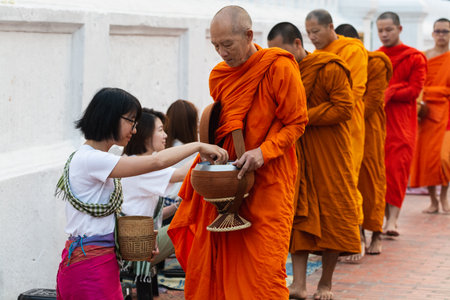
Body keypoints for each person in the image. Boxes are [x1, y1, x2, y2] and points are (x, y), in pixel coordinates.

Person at [168, 6, 308, 299]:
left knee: (263, 269)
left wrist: (263, 152)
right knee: (217, 262)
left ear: (248, 35)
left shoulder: (278, 67)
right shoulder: (219, 76)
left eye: (227, 45)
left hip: (268, 181)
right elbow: (224, 126)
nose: (221, 52)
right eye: (215, 46)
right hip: (226, 185)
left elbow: (297, 122)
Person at [55, 88, 228, 300]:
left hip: (96, 262)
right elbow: (157, 162)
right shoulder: (92, 160)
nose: (134, 130)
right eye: (131, 121)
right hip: (90, 268)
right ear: (110, 117)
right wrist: (199, 145)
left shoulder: (96, 158)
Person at [268, 22, 359, 300]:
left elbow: (344, 108)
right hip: (298, 151)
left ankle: (326, 284)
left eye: (283, 51)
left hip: (330, 152)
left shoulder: (328, 66)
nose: (278, 59)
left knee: (334, 213)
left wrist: (302, 116)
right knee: (297, 212)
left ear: (298, 44)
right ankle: (298, 284)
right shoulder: (282, 73)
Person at [305, 9, 367, 261]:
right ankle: (327, 242)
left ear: (331, 27)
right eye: (308, 33)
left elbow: (353, 92)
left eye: (316, 32)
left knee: (346, 182)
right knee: (323, 186)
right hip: (320, 132)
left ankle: (355, 238)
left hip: (347, 128)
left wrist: (308, 115)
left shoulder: (353, 50)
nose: (312, 37)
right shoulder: (315, 57)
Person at [120, 108, 194, 298]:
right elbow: (180, 174)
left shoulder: (136, 162)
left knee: (185, 217)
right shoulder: (143, 166)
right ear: (145, 135)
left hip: (136, 236)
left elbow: (152, 214)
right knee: (189, 226)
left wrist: (177, 207)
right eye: (160, 130)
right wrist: (202, 148)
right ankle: (198, 278)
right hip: (134, 246)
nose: (166, 135)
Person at [335, 24, 393, 255]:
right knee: (349, 181)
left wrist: (343, 112)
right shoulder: (332, 58)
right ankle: (355, 235)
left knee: (370, 180)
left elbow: (372, 100)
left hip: (368, 129)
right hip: (344, 128)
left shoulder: (375, 62)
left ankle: (376, 233)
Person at [377, 12, 427, 235]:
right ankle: (384, 218)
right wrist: (391, 90)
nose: (384, 34)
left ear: (399, 29)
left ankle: (393, 221)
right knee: (380, 172)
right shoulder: (376, 57)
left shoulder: (414, 57)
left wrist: (391, 90)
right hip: (379, 122)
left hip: (403, 123)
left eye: (388, 30)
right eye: (380, 30)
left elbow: (414, 91)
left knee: (397, 170)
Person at [410, 18, 450, 214]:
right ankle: (433, 201)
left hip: (447, 113)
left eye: (445, 31)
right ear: (433, 34)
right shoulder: (424, 57)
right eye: (438, 31)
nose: (441, 35)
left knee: (444, 159)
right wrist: (418, 106)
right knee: (428, 159)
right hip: (426, 112)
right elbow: (417, 84)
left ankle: (444, 198)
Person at [163, 99, 199, 207]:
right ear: (189, 124)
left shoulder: (166, 148)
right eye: (197, 120)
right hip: (176, 207)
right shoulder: (188, 152)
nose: (199, 124)